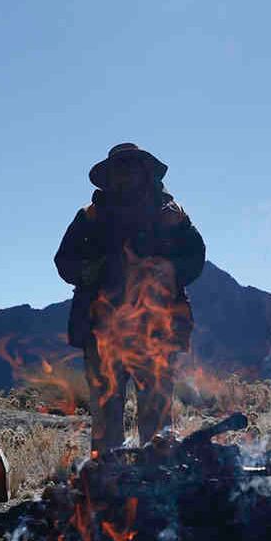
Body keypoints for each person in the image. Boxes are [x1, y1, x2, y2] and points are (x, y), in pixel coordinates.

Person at [55, 143, 206, 455]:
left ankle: (158, 477)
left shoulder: (171, 215)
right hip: (101, 331)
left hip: (156, 329)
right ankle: (106, 480)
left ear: (145, 171)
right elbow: (64, 262)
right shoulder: (90, 217)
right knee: (106, 412)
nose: (125, 175)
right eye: (118, 169)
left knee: (156, 412)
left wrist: (168, 271)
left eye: (131, 167)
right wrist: (93, 270)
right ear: (109, 177)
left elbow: (196, 257)